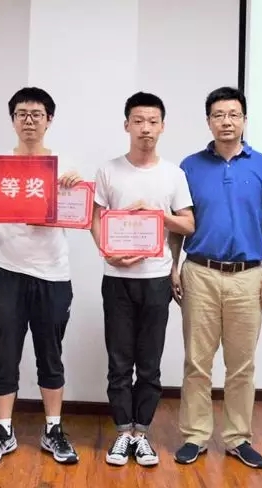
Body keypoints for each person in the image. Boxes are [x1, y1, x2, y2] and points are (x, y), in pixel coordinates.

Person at [0, 87, 83, 465]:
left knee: (51, 354)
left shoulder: (65, 166)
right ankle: (3, 431)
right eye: (22, 114)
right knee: (6, 354)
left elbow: (79, 212)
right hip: (8, 271)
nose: (29, 121)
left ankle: (53, 430)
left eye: (37, 114)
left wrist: (75, 188)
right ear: (13, 120)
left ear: (49, 120)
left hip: (53, 274)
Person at [170, 86, 262, 469]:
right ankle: (195, 436)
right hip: (199, 273)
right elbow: (179, 223)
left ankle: (238, 438)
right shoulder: (189, 166)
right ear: (208, 121)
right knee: (196, 362)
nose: (226, 121)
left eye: (233, 114)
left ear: (244, 120)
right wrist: (173, 266)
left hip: (248, 278)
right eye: (218, 115)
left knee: (241, 365)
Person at [90, 92, 194, 467]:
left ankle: (142, 433)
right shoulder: (108, 170)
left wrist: (157, 214)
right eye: (138, 121)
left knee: (149, 362)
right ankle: (123, 432)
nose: (145, 128)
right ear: (126, 125)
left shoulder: (173, 174)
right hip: (116, 277)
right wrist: (107, 250)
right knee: (119, 360)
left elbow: (188, 224)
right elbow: (95, 218)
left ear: (162, 127)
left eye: (152, 121)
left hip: (156, 278)